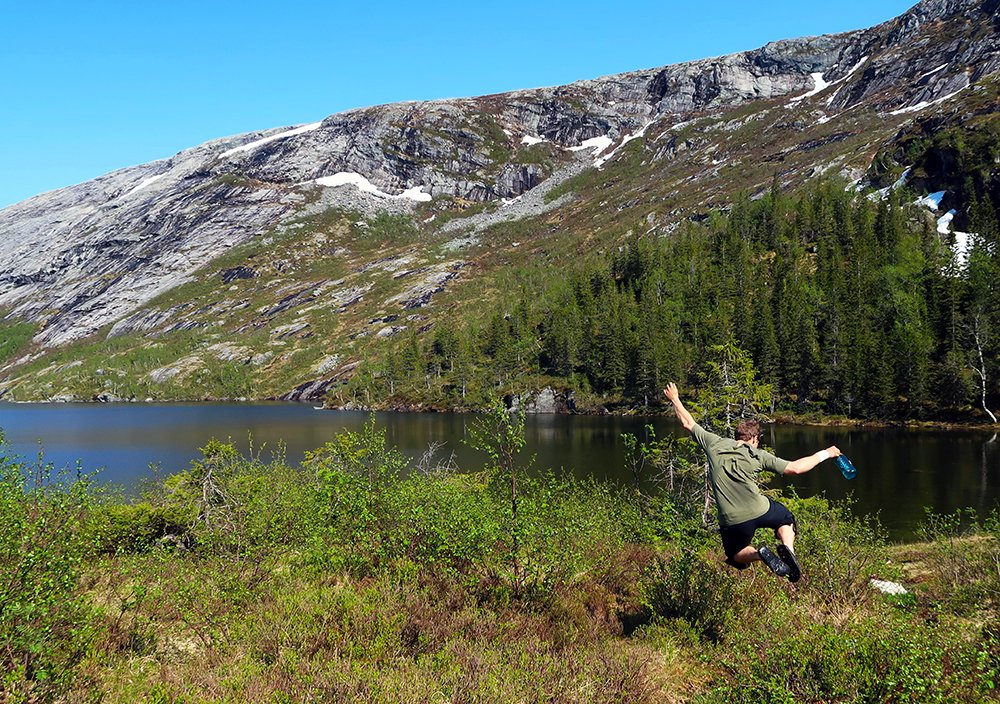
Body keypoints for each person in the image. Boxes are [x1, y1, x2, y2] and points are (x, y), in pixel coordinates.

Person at [662, 382, 841, 582]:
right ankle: (789, 551)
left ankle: (760, 554)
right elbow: (795, 468)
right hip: (760, 509)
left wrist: (675, 398)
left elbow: (687, 422)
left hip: (733, 520)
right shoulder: (758, 455)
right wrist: (827, 453)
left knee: (736, 555)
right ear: (754, 439)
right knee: (786, 518)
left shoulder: (715, 443)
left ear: (737, 436)